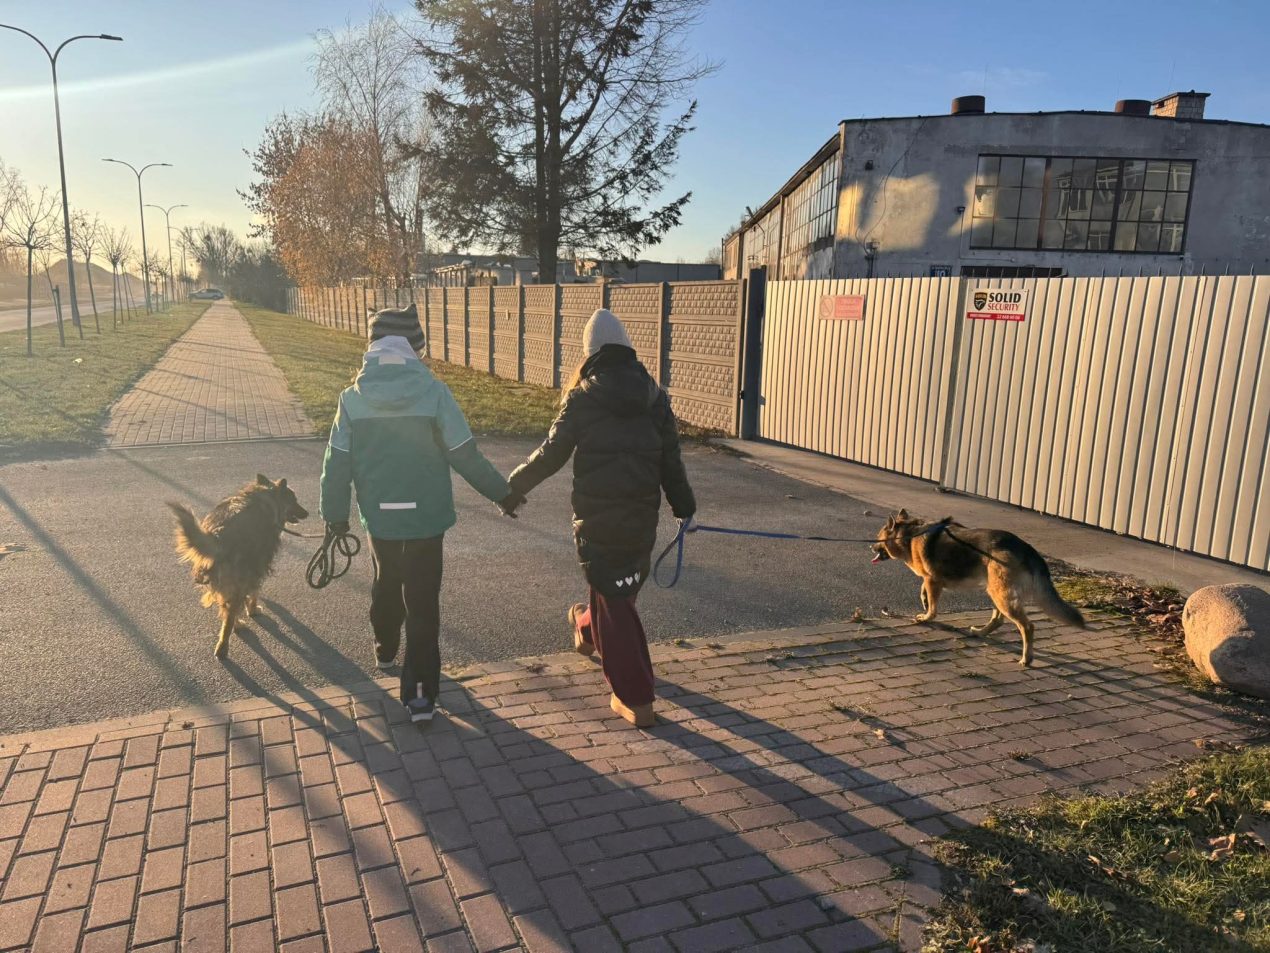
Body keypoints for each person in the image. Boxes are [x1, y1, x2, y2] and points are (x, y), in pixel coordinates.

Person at [320, 303, 521, 724]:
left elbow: (336, 464)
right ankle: (420, 697)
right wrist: (502, 493)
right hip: (426, 519)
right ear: (415, 348)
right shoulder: (434, 394)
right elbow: (465, 454)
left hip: (381, 518)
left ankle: (385, 646)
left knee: (386, 582)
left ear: (373, 346)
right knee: (424, 602)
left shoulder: (352, 401)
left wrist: (335, 517)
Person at [508, 308, 695, 727]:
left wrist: (512, 487)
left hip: (596, 521)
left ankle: (636, 699)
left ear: (590, 354)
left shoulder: (583, 397)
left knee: (616, 597)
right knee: (616, 593)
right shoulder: (655, 397)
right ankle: (587, 629)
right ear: (628, 349)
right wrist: (684, 506)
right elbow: (672, 462)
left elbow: (550, 453)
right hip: (641, 522)